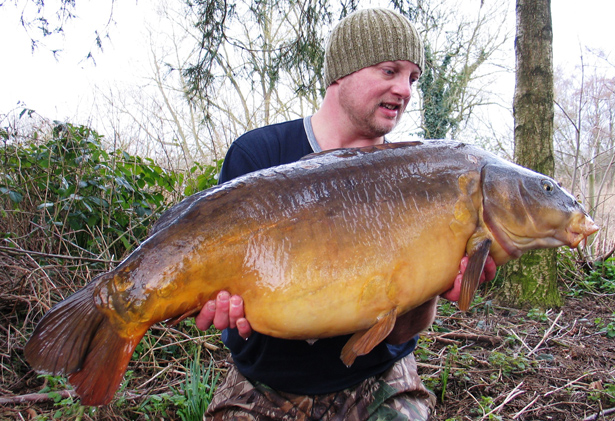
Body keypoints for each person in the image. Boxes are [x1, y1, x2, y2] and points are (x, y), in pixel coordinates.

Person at [197, 8, 496, 420]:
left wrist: (438, 282)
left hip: (376, 377)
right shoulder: (259, 155)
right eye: (389, 70)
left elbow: (404, 330)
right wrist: (220, 303)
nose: (405, 89)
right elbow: (235, 317)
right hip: (270, 382)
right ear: (340, 73)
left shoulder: (414, 176)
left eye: (412, 77)